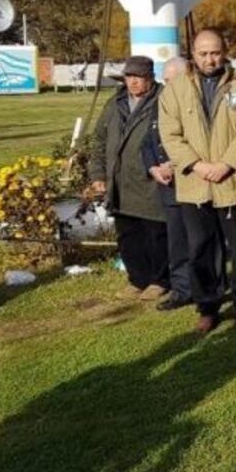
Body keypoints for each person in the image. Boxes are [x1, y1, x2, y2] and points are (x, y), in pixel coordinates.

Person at [158, 28, 236, 334]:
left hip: (233, 183)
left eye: (215, 52)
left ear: (225, 50)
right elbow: (170, 134)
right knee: (201, 248)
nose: (209, 59)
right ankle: (208, 306)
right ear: (193, 53)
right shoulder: (174, 89)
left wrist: (227, 164)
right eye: (203, 53)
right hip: (195, 184)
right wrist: (198, 165)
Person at [90, 55, 170, 302]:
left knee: (156, 232)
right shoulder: (115, 102)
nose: (133, 83)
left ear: (150, 78)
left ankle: (160, 280)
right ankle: (137, 278)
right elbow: (99, 139)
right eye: (129, 77)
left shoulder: (164, 99)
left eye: (139, 78)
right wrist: (98, 173)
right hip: (119, 180)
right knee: (127, 234)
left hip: (150, 179)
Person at [141, 56, 194, 311]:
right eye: (164, 80)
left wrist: (173, 165)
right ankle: (182, 289)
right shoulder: (159, 103)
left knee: (200, 240)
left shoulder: (195, 103)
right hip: (167, 185)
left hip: (190, 180)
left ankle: (207, 287)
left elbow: (198, 142)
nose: (166, 85)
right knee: (176, 241)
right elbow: (148, 141)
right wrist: (153, 167)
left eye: (170, 80)